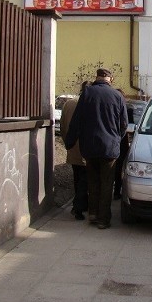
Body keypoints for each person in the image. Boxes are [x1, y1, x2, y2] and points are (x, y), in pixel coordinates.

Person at [65, 68, 128, 229]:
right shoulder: (117, 96)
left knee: (93, 181)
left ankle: (92, 214)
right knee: (107, 183)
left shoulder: (87, 93)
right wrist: (116, 139)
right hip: (109, 148)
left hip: (89, 147)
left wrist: (70, 142)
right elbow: (124, 125)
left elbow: (76, 121)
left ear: (97, 78)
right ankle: (103, 219)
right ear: (110, 79)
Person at [60, 81, 92, 221]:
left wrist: (67, 142)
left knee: (77, 177)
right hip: (86, 148)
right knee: (85, 178)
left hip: (72, 147)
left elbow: (62, 126)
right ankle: (78, 207)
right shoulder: (88, 104)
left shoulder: (68, 104)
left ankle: (81, 204)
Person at [113, 89, 134, 200]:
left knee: (117, 168)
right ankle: (117, 191)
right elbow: (128, 126)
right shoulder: (127, 109)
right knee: (119, 168)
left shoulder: (114, 108)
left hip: (117, 141)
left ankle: (116, 190)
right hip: (121, 140)